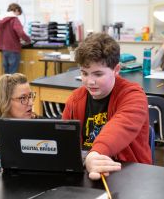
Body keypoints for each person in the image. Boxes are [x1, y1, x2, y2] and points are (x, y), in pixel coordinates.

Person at [62, 33, 151, 180]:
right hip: (88, 171)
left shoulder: (133, 95)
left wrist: (95, 154)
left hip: (128, 174)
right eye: (84, 73)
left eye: (98, 74)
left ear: (116, 70)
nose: (90, 82)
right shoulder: (75, 99)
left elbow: (119, 127)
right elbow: (64, 140)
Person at [0, 3, 31, 74]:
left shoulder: (0, 20)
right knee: (13, 73)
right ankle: (12, 85)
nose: (18, 15)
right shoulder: (14, 19)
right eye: (18, 13)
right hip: (12, 48)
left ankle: (6, 85)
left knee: (6, 72)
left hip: (3, 48)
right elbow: (20, 32)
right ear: (16, 10)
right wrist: (28, 40)